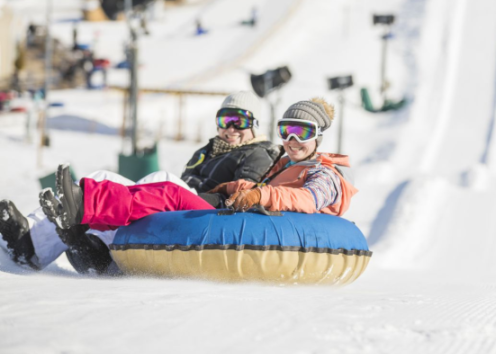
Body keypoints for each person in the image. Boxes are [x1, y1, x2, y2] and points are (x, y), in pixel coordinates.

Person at [0, 91, 282, 273]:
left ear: (254, 125)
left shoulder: (258, 152)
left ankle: (93, 240)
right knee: (102, 177)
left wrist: (198, 195)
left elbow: (242, 196)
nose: (231, 128)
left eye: (240, 121)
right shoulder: (208, 150)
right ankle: (32, 243)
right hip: (186, 207)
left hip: (210, 214)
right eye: (225, 119)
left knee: (160, 179)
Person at [40, 98, 357, 235]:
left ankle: (85, 205)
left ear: (318, 136)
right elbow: (261, 189)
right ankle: (89, 220)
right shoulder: (284, 164)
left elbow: (306, 200)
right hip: (239, 213)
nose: (291, 139)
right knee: (157, 192)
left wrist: (260, 197)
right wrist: (232, 188)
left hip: (249, 224)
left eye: (301, 132)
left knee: (169, 192)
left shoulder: (324, 175)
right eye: (286, 130)